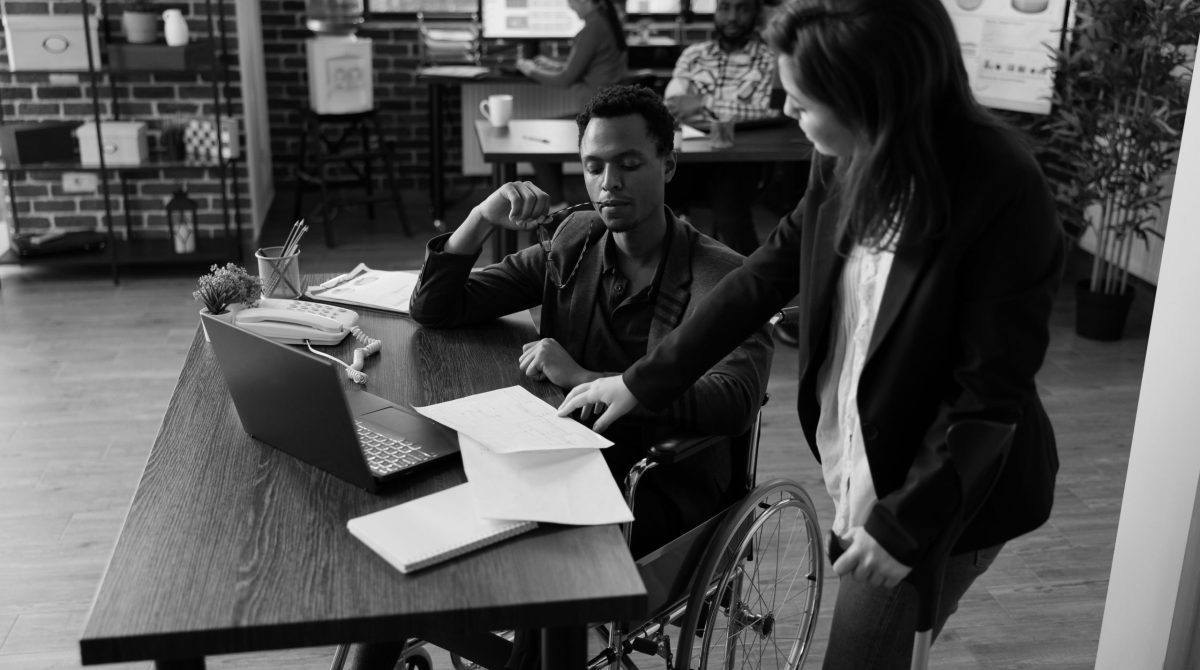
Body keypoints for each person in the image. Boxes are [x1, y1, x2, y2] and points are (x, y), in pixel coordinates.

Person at [559, 1, 1065, 668]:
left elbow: (988, 393)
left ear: (869, 95)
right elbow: (764, 276)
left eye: (802, 99)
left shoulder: (1000, 184)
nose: (790, 113)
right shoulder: (842, 154)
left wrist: (904, 524)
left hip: (939, 487)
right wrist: (639, 380)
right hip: (865, 458)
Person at [343, 85, 772, 670]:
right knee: (410, 544)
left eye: (629, 164)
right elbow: (438, 307)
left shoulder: (722, 276)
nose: (608, 183)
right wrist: (479, 217)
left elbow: (737, 399)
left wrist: (594, 377)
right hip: (554, 457)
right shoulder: (576, 240)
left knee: (542, 564)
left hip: (655, 478)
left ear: (669, 164)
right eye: (594, 166)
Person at [664, 0, 781, 255]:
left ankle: (752, 283)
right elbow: (674, 103)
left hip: (739, 157)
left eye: (742, 8)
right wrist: (731, 107)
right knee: (652, 198)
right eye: (725, 8)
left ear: (755, 13)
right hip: (689, 156)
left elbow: (768, 110)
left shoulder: (769, 59)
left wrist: (702, 102)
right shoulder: (694, 54)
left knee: (731, 218)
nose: (732, 17)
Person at [516, 0, 629, 209]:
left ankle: (557, 206)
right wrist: (548, 64)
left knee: (535, 143)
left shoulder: (593, 28)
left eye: (571, 2)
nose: (570, 6)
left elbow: (566, 79)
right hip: (606, 112)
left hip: (597, 117)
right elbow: (582, 67)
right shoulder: (604, 21)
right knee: (542, 140)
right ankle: (557, 203)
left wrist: (528, 68)